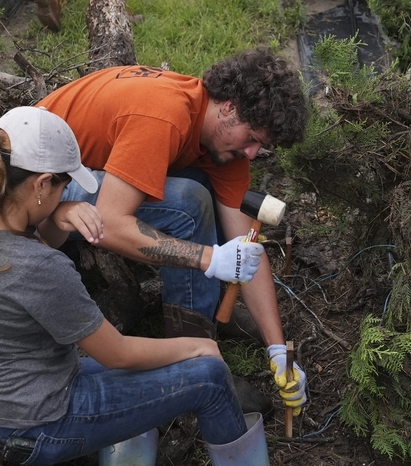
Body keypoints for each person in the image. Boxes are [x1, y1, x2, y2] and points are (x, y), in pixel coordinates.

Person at [0, 107, 323, 466]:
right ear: (42, 185)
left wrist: (59, 217)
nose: (70, 197)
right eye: (65, 188)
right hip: (42, 424)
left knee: (151, 368)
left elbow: (22, 247)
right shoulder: (38, 269)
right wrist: (198, 346)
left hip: (2, 410)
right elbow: (117, 355)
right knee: (207, 375)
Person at [37, 48, 311, 417]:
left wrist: (278, 350)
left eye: (261, 145)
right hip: (31, 187)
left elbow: (245, 250)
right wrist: (210, 259)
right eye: (252, 138)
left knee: (203, 188)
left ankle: (204, 312)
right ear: (229, 107)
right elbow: (111, 224)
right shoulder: (165, 115)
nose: (251, 152)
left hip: (77, 173)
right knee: (190, 200)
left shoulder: (220, 142)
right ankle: (195, 362)